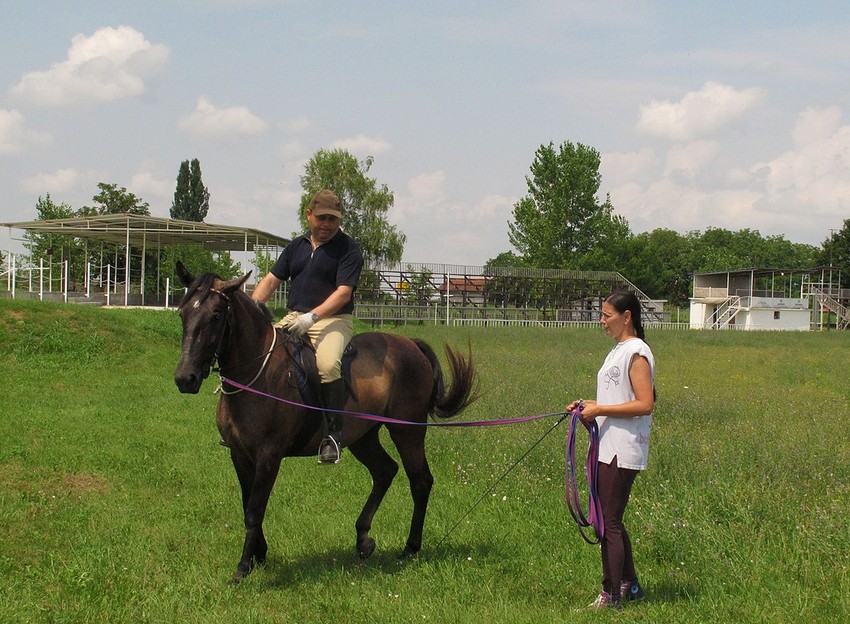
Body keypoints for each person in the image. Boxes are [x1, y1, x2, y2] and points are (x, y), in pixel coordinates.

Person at [252, 189, 364, 464]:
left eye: (333, 220)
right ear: (309, 215)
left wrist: (311, 318)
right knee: (261, 355)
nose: (327, 225)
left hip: (333, 320)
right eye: (322, 218)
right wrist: (252, 307)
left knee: (327, 365)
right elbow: (270, 281)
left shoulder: (348, 249)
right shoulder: (296, 247)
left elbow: (343, 293)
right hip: (294, 316)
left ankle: (333, 436)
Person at [567, 290, 655, 610]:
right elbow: (616, 398)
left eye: (607, 315)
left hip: (623, 449)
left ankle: (612, 595)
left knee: (608, 523)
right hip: (606, 446)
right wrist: (589, 406)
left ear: (626, 316)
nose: (601, 321)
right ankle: (629, 585)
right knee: (609, 519)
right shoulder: (617, 350)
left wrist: (600, 408)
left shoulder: (637, 352)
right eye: (601, 315)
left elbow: (645, 403)